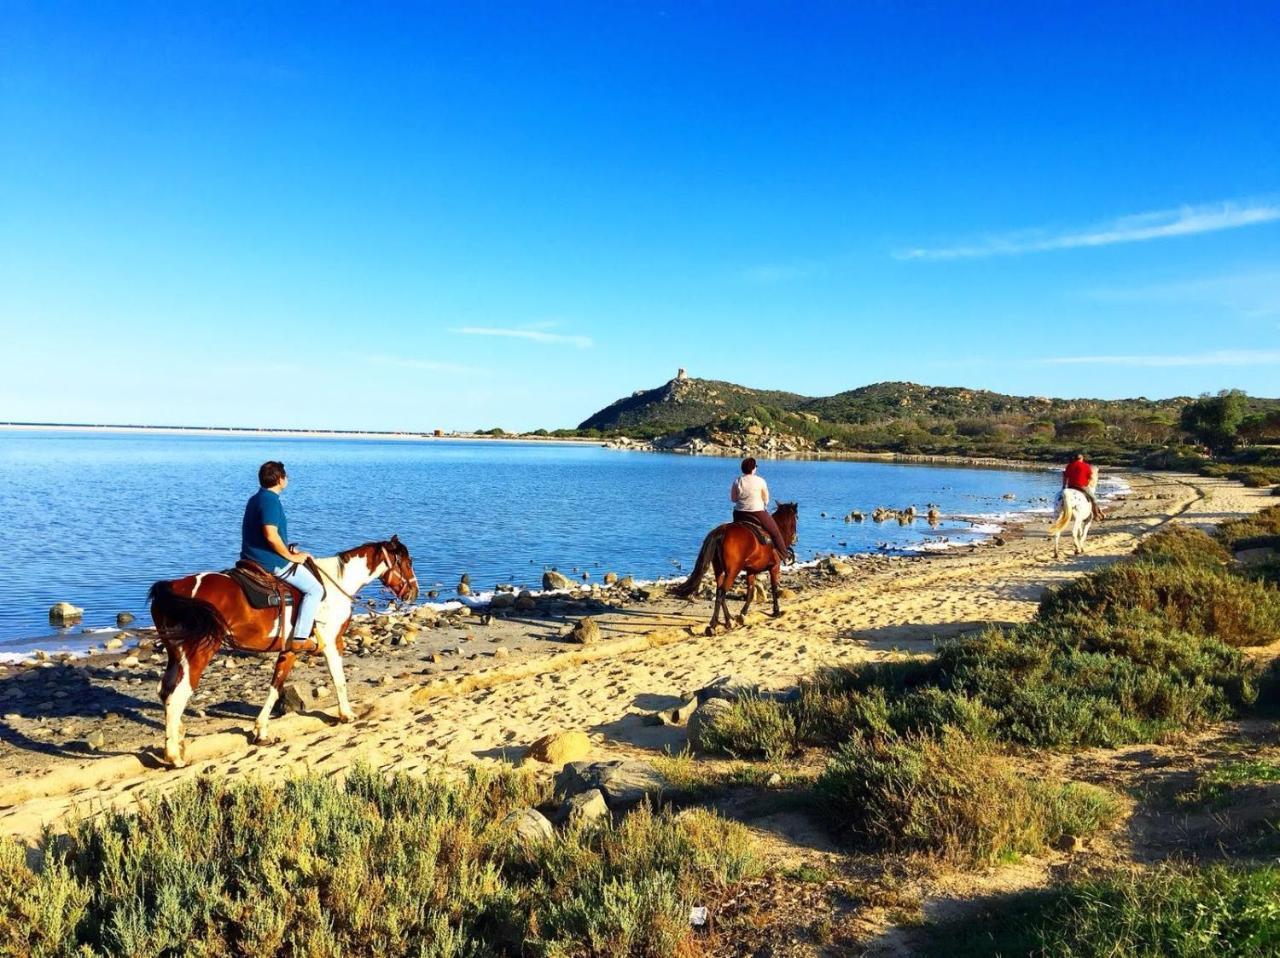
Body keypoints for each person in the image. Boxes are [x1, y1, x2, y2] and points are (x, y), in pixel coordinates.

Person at [241, 460, 325, 648]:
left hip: (249, 557)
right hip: (269, 562)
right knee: (315, 589)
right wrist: (291, 557)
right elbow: (270, 535)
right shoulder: (271, 501)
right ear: (280, 479)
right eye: (286, 476)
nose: (287, 479)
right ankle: (301, 638)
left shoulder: (255, 498)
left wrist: (287, 548)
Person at [730, 457, 794, 563]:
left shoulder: (737, 481)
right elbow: (766, 499)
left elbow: (733, 499)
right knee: (775, 532)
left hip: (739, 514)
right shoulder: (760, 481)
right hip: (757, 512)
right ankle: (784, 555)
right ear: (753, 469)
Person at [1062, 452, 1105, 521]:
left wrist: (1064, 487)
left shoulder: (1069, 465)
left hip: (1070, 486)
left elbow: (1065, 477)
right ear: (1082, 459)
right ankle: (1096, 515)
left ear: (1075, 459)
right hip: (1081, 487)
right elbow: (1090, 477)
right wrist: (1087, 484)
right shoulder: (1085, 466)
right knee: (1094, 499)